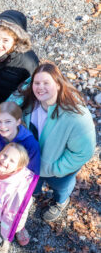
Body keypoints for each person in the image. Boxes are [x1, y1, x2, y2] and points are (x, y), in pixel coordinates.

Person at [19, 61, 96, 221]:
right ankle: (35, 192)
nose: (40, 87)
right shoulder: (30, 101)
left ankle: (61, 202)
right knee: (34, 185)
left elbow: (83, 152)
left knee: (61, 188)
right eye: (37, 83)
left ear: (59, 85)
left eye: (46, 83)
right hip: (34, 162)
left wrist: (56, 169)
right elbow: (11, 104)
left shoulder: (76, 116)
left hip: (59, 169)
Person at [0, 101, 40, 176]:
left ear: (18, 122)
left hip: (14, 185)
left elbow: (32, 175)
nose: (3, 126)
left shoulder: (30, 144)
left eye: (8, 121)